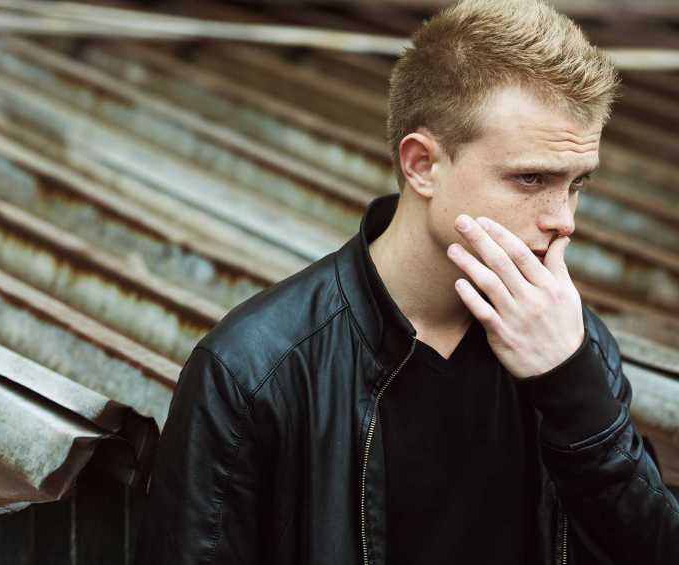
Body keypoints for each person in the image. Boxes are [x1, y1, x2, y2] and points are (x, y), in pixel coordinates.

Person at [134, 0, 679, 563]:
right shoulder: (257, 369)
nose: (563, 218)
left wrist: (573, 388)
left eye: (576, 183)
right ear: (421, 165)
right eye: (530, 178)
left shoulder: (572, 341)